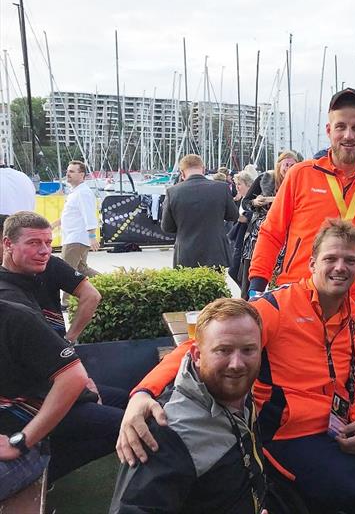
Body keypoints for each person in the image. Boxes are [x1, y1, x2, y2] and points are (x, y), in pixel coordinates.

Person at [117, 220, 355, 513]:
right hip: (288, 433)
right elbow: (202, 346)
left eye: (350, 261)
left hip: (339, 423)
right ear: (312, 263)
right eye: (330, 258)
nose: (340, 267)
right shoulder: (277, 307)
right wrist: (144, 392)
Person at [248, 88, 355, 326]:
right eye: (340, 126)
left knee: (352, 364)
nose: (348, 135)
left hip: (354, 300)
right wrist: (256, 287)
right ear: (328, 130)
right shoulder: (301, 174)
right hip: (298, 293)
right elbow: (272, 232)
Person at [109, 298, 267, 513]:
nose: (237, 364)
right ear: (197, 356)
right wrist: (142, 393)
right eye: (223, 350)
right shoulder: (166, 431)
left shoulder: (241, 393)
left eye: (248, 350)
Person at [0, 298, 126, 495]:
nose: (44, 264)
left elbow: (73, 376)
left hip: (28, 423)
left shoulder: (15, 316)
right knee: (127, 420)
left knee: (129, 420)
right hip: (39, 409)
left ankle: (48, 465)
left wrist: (22, 441)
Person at [0, 211, 101, 342]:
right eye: (33, 243)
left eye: (48, 243)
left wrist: (70, 339)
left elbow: (91, 295)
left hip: (55, 351)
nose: (44, 251)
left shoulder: (51, 264)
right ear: (8, 244)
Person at [238, 150, 300, 298]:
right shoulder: (264, 179)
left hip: (287, 238)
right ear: (279, 165)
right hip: (259, 235)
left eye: (293, 165)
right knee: (252, 279)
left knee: (279, 281)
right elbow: (246, 203)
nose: (289, 168)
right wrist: (255, 202)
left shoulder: (299, 181)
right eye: (286, 164)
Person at [161, 154, 239, 268]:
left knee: (187, 286)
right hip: (215, 253)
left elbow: (167, 227)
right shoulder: (221, 188)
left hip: (186, 254)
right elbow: (233, 215)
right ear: (203, 169)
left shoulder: (172, 192)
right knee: (215, 285)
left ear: (182, 173)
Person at [53, 160, 99, 278]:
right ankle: (108, 286)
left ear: (82, 175)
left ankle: (67, 297)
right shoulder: (75, 193)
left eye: (72, 172)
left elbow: (89, 216)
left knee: (67, 272)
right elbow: (69, 215)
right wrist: (52, 226)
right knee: (81, 269)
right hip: (72, 237)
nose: (68, 174)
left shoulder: (83, 193)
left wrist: (92, 237)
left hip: (76, 239)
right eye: (68, 171)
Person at [228, 171, 255, 286]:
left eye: (239, 184)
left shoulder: (251, 200)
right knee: (236, 271)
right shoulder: (242, 199)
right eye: (236, 184)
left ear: (248, 185)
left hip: (246, 240)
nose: (237, 187)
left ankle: (246, 295)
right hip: (241, 240)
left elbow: (246, 218)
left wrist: (230, 212)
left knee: (235, 270)